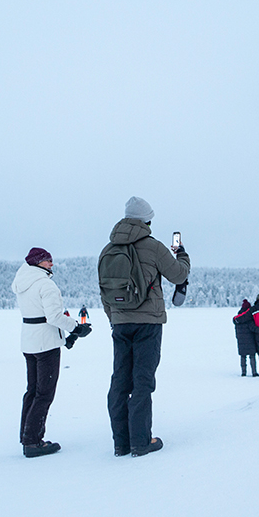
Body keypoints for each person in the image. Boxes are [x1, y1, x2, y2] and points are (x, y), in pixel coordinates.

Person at [99, 196, 190, 458]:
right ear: (147, 220)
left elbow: (104, 290)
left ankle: (121, 442)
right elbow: (179, 275)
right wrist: (182, 255)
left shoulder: (108, 249)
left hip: (120, 323)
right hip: (147, 323)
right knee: (142, 381)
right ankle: (141, 441)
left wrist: (114, 318)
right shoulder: (153, 246)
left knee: (120, 381)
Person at [11, 247, 92, 458]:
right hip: (46, 344)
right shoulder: (46, 285)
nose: (51, 264)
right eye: (47, 261)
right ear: (38, 262)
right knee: (44, 394)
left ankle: (26, 436)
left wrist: (67, 338)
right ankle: (33, 442)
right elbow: (54, 317)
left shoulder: (22, 282)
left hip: (29, 342)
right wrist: (76, 327)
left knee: (32, 391)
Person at [233, 299, 258, 377]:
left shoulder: (237, 318)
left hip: (241, 340)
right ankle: (254, 372)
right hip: (251, 339)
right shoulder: (250, 318)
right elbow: (253, 328)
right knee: (252, 356)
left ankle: (243, 372)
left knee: (243, 356)